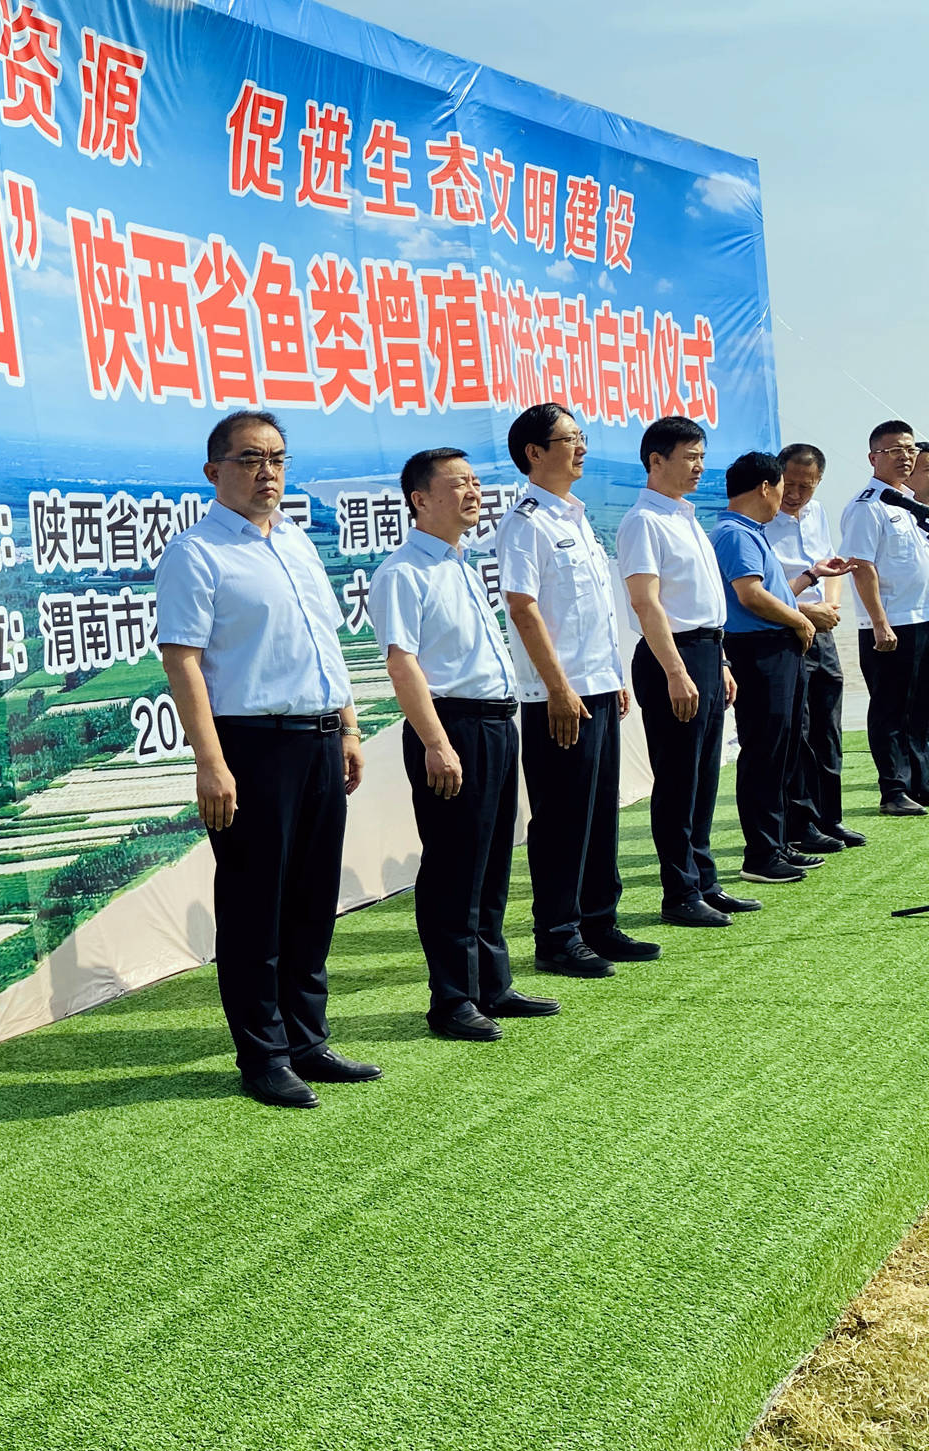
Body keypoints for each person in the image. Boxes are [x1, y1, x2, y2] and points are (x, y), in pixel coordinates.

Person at [156, 409, 382, 1108]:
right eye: (251, 459)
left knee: (313, 901)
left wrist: (347, 726)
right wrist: (211, 763)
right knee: (256, 906)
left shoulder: (296, 543)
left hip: (318, 740)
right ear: (214, 471)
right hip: (252, 746)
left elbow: (325, 647)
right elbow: (183, 662)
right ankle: (263, 1055)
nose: (268, 473)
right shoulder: (196, 554)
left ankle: (307, 1040)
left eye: (277, 458)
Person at [369, 448, 560, 1042]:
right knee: (454, 867)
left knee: (493, 861)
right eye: (458, 484)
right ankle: (451, 1000)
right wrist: (436, 743)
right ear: (420, 499)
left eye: (476, 482)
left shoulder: (460, 563)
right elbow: (404, 666)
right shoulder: (404, 572)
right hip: (452, 728)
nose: (473, 493)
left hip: (497, 726)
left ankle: (491, 985)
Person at [494, 403, 660, 978]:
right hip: (556, 698)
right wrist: (560, 689)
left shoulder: (576, 518)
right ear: (534, 454)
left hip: (597, 689)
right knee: (563, 818)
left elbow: (593, 615)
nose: (581, 448)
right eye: (568, 439)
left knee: (598, 815)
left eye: (582, 437)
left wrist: (611, 678)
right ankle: (557, 935)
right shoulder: (526, 523)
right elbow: (524, 608)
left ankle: (599, 921)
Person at [616, 416, 753, 928]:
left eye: (701, 456)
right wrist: (676, 671)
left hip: (706, 653)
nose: (699, 467)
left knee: (702, 777)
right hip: (670, 655)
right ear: (656, 461)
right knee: (676, 779)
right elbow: (646, 603)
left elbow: (700, 601)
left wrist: (717, 661)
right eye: (689, 457)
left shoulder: (686, 516)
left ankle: (705, 881)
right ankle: (678, 892)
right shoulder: (642, 522)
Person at [711, 450, 853, 883]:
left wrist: (809, 583)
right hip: (759, 650)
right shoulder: (735, 534)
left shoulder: (750, 532)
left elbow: (773, 591)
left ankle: (777, 843)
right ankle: (761, 854)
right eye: (782, 487)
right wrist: (798, 618)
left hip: (776, 647)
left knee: (783, 750)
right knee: (764, 752)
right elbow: (751, 596)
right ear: (766, 487)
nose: (788, 498)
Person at [768, 443, 863, 850]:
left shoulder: (818, 512)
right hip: (786, 628)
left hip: (821, 626)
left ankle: (830, 817)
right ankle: (799, 822)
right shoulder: (762, 520)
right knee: (798, 729)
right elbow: (762, 591)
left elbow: (831, 563)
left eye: (806, 486)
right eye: (790, 484)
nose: (795, 494)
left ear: (818, 482)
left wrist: (832, 604)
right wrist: (807, 608)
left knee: (827, 724)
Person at [839, 420, 929, 815]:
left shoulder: (905, 503)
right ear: (873, 457)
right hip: (891, 624)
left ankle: (919, 784)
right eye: (894, 450)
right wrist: (879, 622)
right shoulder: (867, 505)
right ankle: (893, 790)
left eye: (909, 450)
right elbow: (861, 567)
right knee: (890, 709)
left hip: (920, 618)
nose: (904, 457)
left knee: (920, 709)